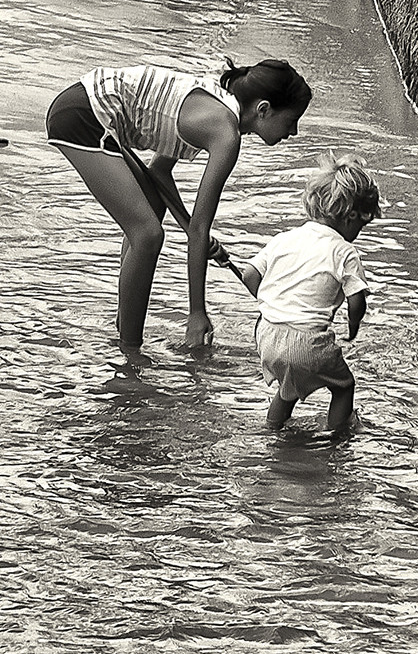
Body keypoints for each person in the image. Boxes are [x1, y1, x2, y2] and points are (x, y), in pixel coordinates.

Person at [45, 59, 312, 350]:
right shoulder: (226, 132)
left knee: (150, 210)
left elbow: (159, 174)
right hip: (86, 114)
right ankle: (130, 352)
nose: (294, 131)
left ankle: (125, 326)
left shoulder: (218, 107)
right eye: (291, 121)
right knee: (147, 235)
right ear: (263, 109)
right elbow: (200, 227)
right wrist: (197, 312)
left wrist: (192, 231)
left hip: (89, 109)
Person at [238, 153, 380, 441]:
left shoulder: (285, 238)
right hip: (306, 340)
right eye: (361, 226)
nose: (358, 234)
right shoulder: (344, 251)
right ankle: (335, 438)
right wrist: (352, 329)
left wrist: (271, 304)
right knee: (344, 387)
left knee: (287, 389)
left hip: (267, 335)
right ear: (351, 215)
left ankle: (271, 432)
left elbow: (249, 274)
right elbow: (356, 301)